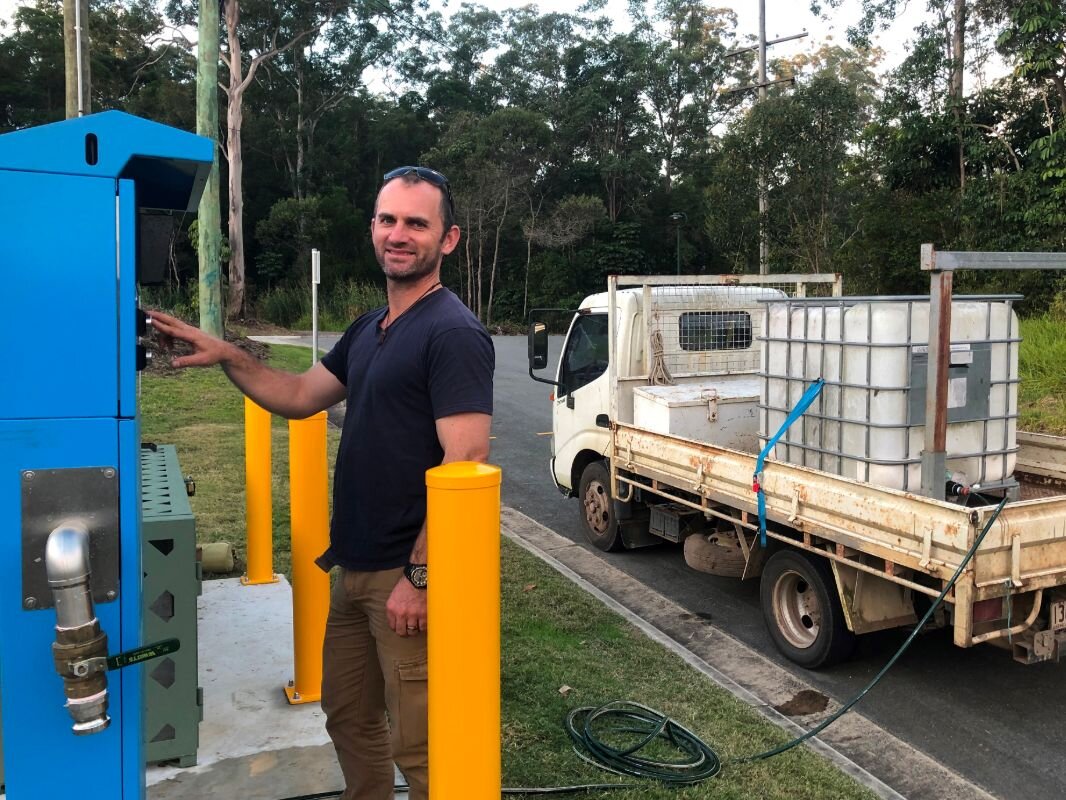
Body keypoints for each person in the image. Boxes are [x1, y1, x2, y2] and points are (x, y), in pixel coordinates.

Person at [150, 166, 495, 800]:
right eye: (388, 220)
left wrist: (421, 578)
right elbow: (301, 394)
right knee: (348, 716)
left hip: (406, 576)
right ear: (372, 228)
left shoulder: (452, 333)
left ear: (448, 239)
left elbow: (465, 464)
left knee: (423, 746)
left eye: (417, 223)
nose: (399, 234)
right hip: (355, 568)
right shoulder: (371, 327)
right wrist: (226, 352)